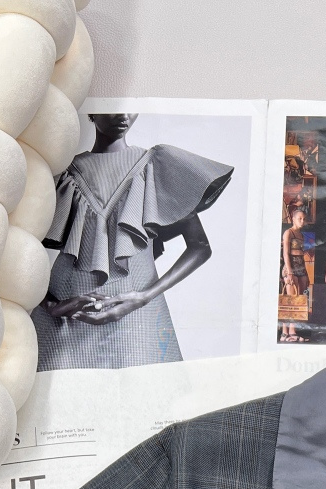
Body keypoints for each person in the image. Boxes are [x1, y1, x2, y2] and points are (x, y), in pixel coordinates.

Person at [32, 113, 233, 369]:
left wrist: (144, 297)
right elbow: (20, 251)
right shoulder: (61, 173)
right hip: (66, 320)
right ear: (93, 112)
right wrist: (51, 305)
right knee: (63, 392)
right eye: (112, 108)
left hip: (139, 316)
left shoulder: (155, 166)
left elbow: (200, 247)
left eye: (130, 108)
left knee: (147, 392)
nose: (123, 115)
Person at [281, 205, 311, 341]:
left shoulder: (301, 235)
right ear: (293, 219)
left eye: (304, 219)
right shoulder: (289, 233)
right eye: (299, 218)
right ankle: (289, 332)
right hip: (290, 268)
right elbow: (286, 254)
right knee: (291, 300)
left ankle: (288, 332)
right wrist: (290, 272)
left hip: (301, 268)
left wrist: (306, 273)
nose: (302, 221)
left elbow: (301, 255)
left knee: (299, 299)